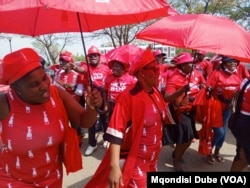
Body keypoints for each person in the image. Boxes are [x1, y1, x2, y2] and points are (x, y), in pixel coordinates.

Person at [0, 48, 103, 187]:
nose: (44, 86)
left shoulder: (56, 93)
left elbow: (84, 121)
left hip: (52, 179)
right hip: (13, 180)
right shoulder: (4, 103)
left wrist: (91, 107)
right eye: (34, 85)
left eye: (44, 78)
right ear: (15, 88)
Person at [85, 47, 168, 188]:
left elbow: (163, 116)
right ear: (142, 73)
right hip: (136, 160)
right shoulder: (128, 97)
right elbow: (115, 133)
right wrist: (114, 167)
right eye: (154, 69)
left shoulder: (155, 92)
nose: (158, 72)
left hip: (153, 159)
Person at [164, 52, 206, 171]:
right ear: (182, 66)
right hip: (180, 112)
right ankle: (176, 160)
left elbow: (202, 82)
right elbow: (167, 97)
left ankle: (176, 153)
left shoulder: (196, 73)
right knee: (187, 139)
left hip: (192, 110)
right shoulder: (175, 78)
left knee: (183, 137)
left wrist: (203, 86)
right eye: (190, 63)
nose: (193, 65)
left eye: (193, 62)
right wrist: (180, 91)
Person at [71, 45, 111, 156]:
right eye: (90, 56)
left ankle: (106, 138)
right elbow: (81, 70)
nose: (93, 57)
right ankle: (92, 144)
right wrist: (74, 67)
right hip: (91, 100)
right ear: (88, 58)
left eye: (95, 55)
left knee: (105, 120)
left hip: (103, 98)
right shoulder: (87, 68)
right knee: (91, 122)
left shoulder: (106, 68)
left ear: (99, 56)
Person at [205, 55, 242, 165]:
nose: (233, 64)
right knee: (219, 132)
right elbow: (208, 90)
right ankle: (208, 151)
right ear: (224, 64)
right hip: (215, 108)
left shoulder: (236, 77)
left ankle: (217, 152)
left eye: (235, 62)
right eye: (230, 62)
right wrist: (210, 90)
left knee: (224, 133)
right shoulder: (216, 74)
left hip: (228, 109)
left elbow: (238, 92)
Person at [103, 54, 136, 148]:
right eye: (113, 66)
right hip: (112, 106)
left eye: (117, 66)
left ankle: (125, 142)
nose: (114, 68)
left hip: (126, 108)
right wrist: (106, 104)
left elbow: (135, 93)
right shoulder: (108, 78)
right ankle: (110, 140)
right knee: (111, 124)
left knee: (125, 126)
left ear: (123, 68)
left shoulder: (130, 79)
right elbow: (105, 92)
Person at [53, 50, 85, 146]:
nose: (62, 63)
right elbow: (55, 87)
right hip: (61, 103)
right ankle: (67, 141)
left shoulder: (77, 74)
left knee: (75, 124)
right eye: (61, 61)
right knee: (63, 124)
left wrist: (71, 87)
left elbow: (80, 92)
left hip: (73, 103)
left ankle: (78, 141)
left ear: (70, 62)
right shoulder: (58, 73)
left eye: (64, 61)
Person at [230, 77, 250, 171]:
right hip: (245, 124)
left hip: (239, 120)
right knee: (243, 156)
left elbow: (237, 95)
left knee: (242, 156)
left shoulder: (246, 80)